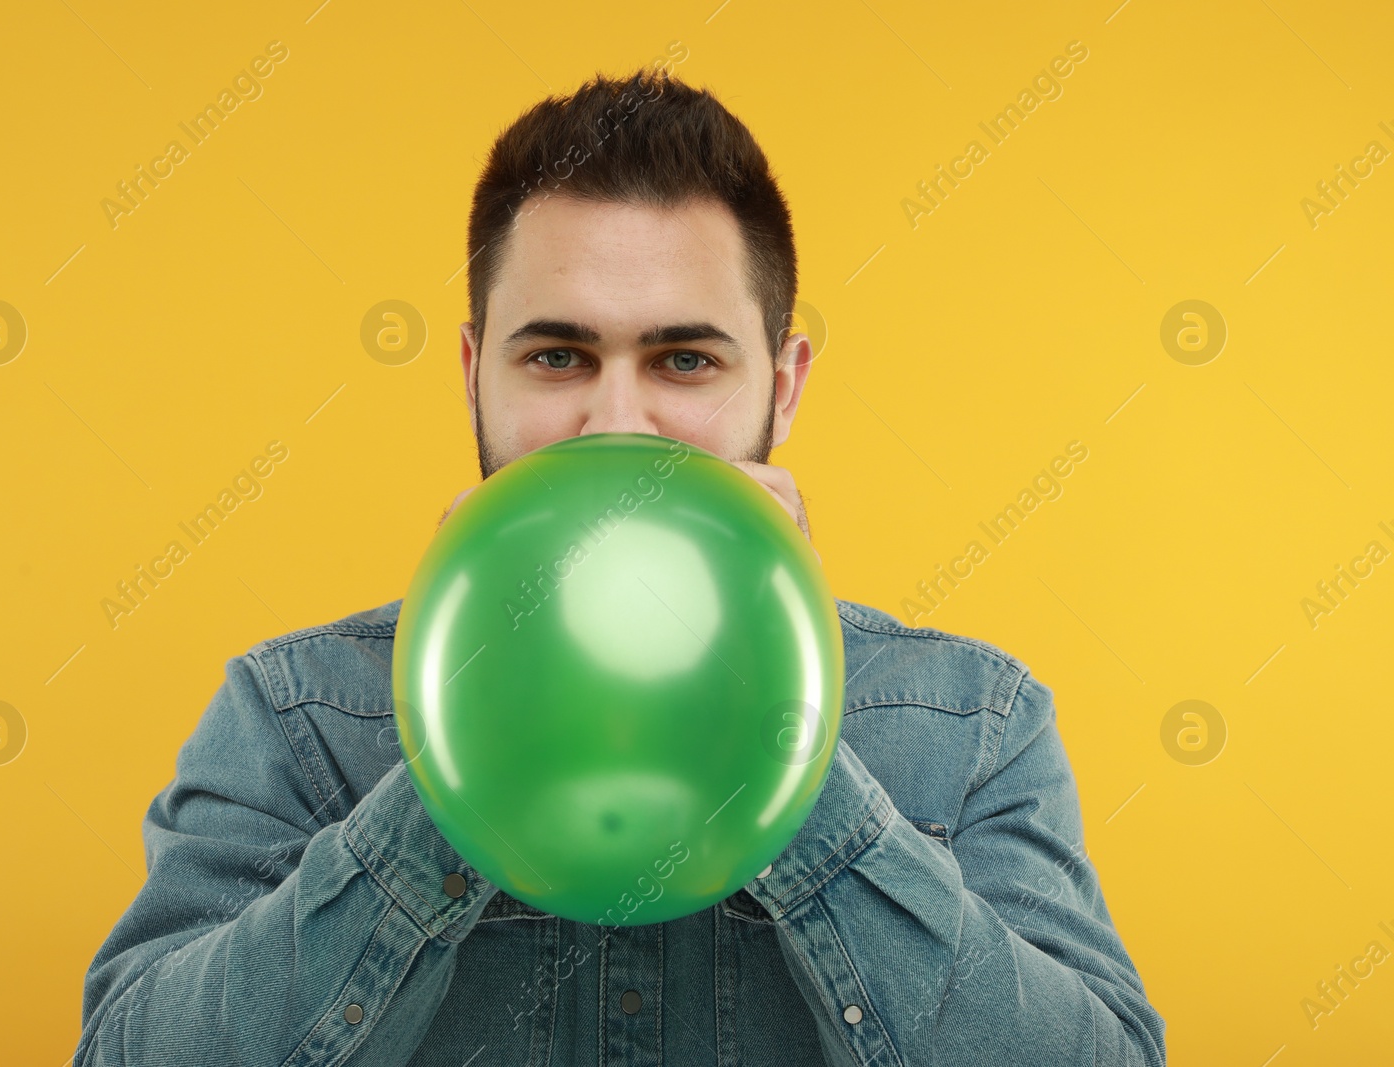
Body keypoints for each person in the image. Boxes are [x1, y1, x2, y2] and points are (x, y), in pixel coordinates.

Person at [73, 64, 1167, 1066]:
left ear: (783, 386)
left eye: (683, 359)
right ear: (472, 375)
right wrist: (463, 761)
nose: (615, 424)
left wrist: (785, 757)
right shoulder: (294, 712)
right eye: (557, 355)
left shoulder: (970, 722)